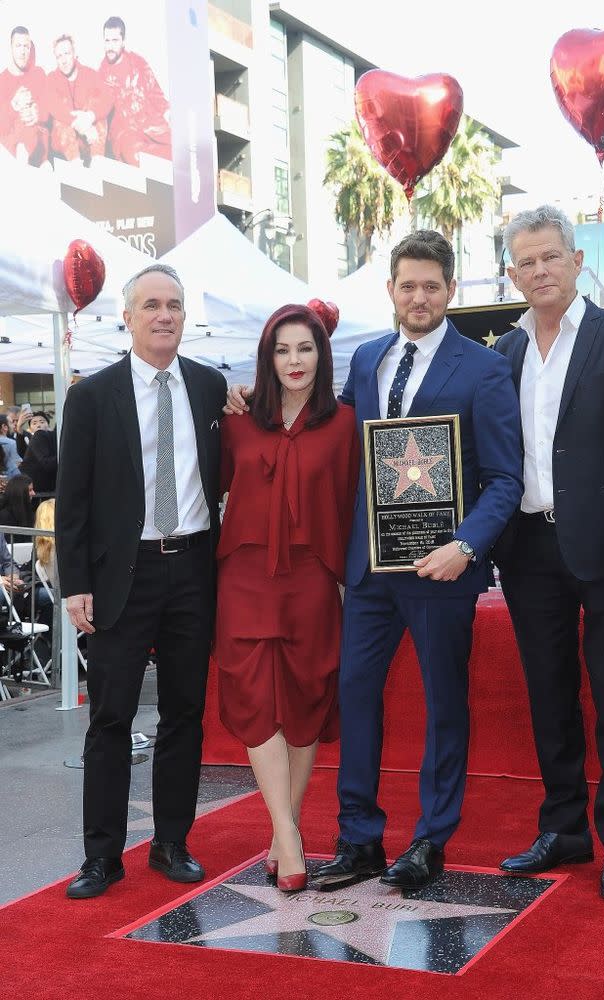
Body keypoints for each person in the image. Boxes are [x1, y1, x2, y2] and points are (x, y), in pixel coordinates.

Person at [228, 230, 523, 888]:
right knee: (355, 698)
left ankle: (428, 839)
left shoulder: (484, 369)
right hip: (366, 571)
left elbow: (505, 478)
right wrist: (253, 402)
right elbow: (327, 433)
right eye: (407, 285)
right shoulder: (365, 362)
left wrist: (466, 545)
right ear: (389, 290)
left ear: (450, 290)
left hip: (441, 570)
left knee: (444, 704)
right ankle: (358, 837)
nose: (418, 296)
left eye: (430, 285)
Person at [492, 205, 604, 902]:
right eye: (525, 262)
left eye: (549, 257)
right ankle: (563, 828)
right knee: (548, 697)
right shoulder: (501, 353)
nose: (538, 271)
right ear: (512, 275)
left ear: (576, 261)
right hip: (526, 548)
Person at [55, 263, 227, 900]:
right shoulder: (92, 396)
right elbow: (71, 501)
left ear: (185, 316)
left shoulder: (211, 389)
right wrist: (75, 584)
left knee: (184, 713)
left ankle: (172, 841)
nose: (164, 315)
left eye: (175, 304)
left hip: (193, 571)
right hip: (121, 576)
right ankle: (100, 857)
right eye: (151, 305)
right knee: (111, 719)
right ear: (127, 317)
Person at [215, 300, 359, 892]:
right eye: (282, 349)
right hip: (245, 578)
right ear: (265, 356)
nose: (294, 360)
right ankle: (290, 833)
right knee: (254, 701)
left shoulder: (346, 422)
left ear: (322, 355)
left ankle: (283, 832)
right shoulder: (235, 420)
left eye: (305, 348)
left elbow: (353, 505)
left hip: (312, 580)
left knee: (305, 702)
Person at [98, 16, 171, 165]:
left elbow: (156, 94)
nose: (110, 46)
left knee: (180, 152)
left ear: (123, 41)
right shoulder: (101, 76)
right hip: (126, 132)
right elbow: (98, 110)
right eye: (107, 41)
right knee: (136, 155)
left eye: (115, 41)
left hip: (152, 126)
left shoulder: (138, 62)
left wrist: (169, 114)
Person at [45, 35, 112, 166]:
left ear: (74, 54)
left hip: (91, 140)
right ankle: (76, 168)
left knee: (96, 105)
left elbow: (108, 98)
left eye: (67, 53)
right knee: (61, 116)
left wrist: (90, 116)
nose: (64, 60)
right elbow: (53, 106)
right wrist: (81, 124)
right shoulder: (51, 79)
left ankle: (98, 163)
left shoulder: (90, 74)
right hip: (65, 143)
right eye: (59, 56)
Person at [0, 25, 47, 165]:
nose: (22, 51)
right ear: (11, 48)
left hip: (37, 145)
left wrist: (37, 112)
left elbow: (49, 107)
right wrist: (13, 106)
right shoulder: (2, 80)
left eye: (26, 47)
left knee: (32, 126)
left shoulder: (39, 74)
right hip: (12, 149)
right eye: (18, 45)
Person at [19, 426, 57, 496]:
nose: (39, 425)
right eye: (35, 422)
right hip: (37, 489)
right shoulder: (40, 436)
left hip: (48, 487)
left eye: (42, 422)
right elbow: (47, 463)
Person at [0, 414, 22, 478]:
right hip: (9, 477)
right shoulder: (11, 443)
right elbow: (17, 463)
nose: (14, 425)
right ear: (4, 426)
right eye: (11, 422)